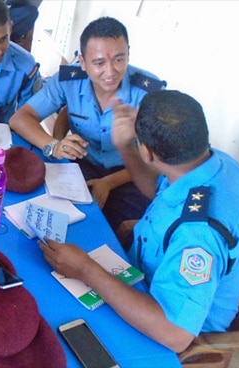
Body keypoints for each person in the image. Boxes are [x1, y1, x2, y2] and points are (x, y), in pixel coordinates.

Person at [40, 90, 239, 352]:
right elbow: (160, 191)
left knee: (54, 326)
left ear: (148, 152)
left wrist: (86, 269)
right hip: (145, 274)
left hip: (168, 325)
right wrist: (126, 147)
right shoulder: (214, 162)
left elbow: (175, 334)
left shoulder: (198, 235)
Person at [9, 16, 166, 234]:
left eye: (119, 59)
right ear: (82, 62)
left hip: (131, 174)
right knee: (53, 222)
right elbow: (20, 118)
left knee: (121, 232)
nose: (110, 72)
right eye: (99, 62)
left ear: (128, 52)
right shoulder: (69, 80)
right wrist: (53, 145)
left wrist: (108, 183)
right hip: (82, 164)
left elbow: (157, 161)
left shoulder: (149, 92)